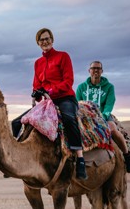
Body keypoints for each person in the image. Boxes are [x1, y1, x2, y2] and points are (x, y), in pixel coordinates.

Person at [19, 28, 87, 180]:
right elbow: (36, 84)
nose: (45, 41)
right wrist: (36, 93)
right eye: (42, 39)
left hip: (65, 98)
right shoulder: (38, 63)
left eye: (47, 38)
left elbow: (68, 81)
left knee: (69, 119)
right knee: (19, 122)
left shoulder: (63, 56)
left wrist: (50, 90)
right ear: (38, 43)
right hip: (46, 102)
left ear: (52, 39)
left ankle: (80, 158)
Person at [76, 61, 130, 173]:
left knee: (113, 129)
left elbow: (109, 104)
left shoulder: (109, 87)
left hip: (103, 115)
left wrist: (102, 116)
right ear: (89, 71)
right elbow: (78, 103)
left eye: (98, 68)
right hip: (86, 116)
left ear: (102, 71)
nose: (96, 70)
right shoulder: (81, 87)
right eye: (93, 68)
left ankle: (127, 157)